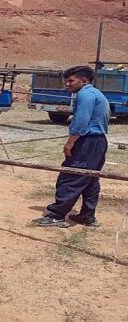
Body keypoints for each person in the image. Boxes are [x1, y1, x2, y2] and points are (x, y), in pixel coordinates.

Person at [33, 66, 110, 228]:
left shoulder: (85, 95)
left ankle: (57, 215)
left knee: (71, 175)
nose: (67, 85)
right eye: (66, 81)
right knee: (90, 178)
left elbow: (81, 121)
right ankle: (87, 215)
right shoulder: (96, 94)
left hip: (87, 141)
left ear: (84, 81)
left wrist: (70, 142)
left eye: (70, 81)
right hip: (98, 141)